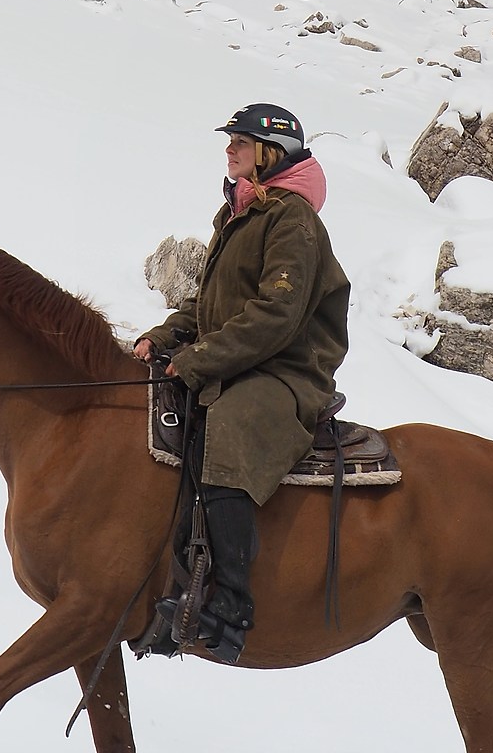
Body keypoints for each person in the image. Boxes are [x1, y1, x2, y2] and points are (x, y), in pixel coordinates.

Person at [133, 102, 349, 662]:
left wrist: (201, 359)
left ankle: (229, 604)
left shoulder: (292, 219)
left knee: (228, 428)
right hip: (238, 360)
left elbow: (275, 316)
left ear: (270, 152)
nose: (229, 150)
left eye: (240, 142)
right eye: (230, 141)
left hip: (284, 371)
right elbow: (207, 302)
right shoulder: (238, 213)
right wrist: (164, 337)